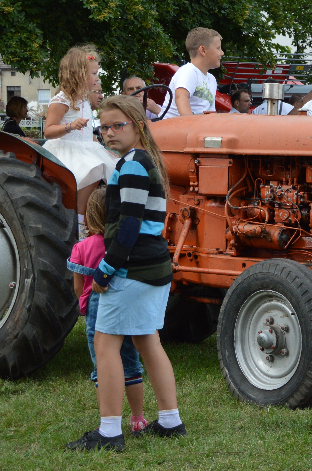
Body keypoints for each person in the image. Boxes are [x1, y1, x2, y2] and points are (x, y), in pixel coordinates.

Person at [66, 95, 184, 452]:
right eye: (103, 127)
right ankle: (169, 421)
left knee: (105, 346)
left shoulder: (132, 164)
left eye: (118, 125)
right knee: (148, 342)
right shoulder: (143, 161)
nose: (109, 133)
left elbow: (128, 226)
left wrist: (104, 270)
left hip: (133, 267)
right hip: (154, 266)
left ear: (138, 125)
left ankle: (109, 433)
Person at [66, 188, 149, 436]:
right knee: (131, 364)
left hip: (97, 309)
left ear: (90, 216)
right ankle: (138, 419)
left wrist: (83, 302)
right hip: (126, 306)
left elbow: (79, 287)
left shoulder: (82, 248)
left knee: (102, 366)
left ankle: (108, 423)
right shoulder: (126, 245)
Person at [42, 46, 118, 236]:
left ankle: (92, 220)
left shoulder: (84, 100)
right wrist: (70, 126)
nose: (97, 78)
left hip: (84, 147)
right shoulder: (62, 100)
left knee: (111, 165)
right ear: (79, 74)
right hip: (65, 149)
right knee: (94, 167)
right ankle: (80, 221)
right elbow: (48, 131)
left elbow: (86, 133)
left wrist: (100, 146)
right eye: (93, 73)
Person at [167, 27, 224, 118]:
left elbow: (210, 111)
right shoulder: (188, 71)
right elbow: (181, 97)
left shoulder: (211, 79)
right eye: (218, 48)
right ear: (203, 50)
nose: (222, 53)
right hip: (177, 129)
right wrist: (192, 125)